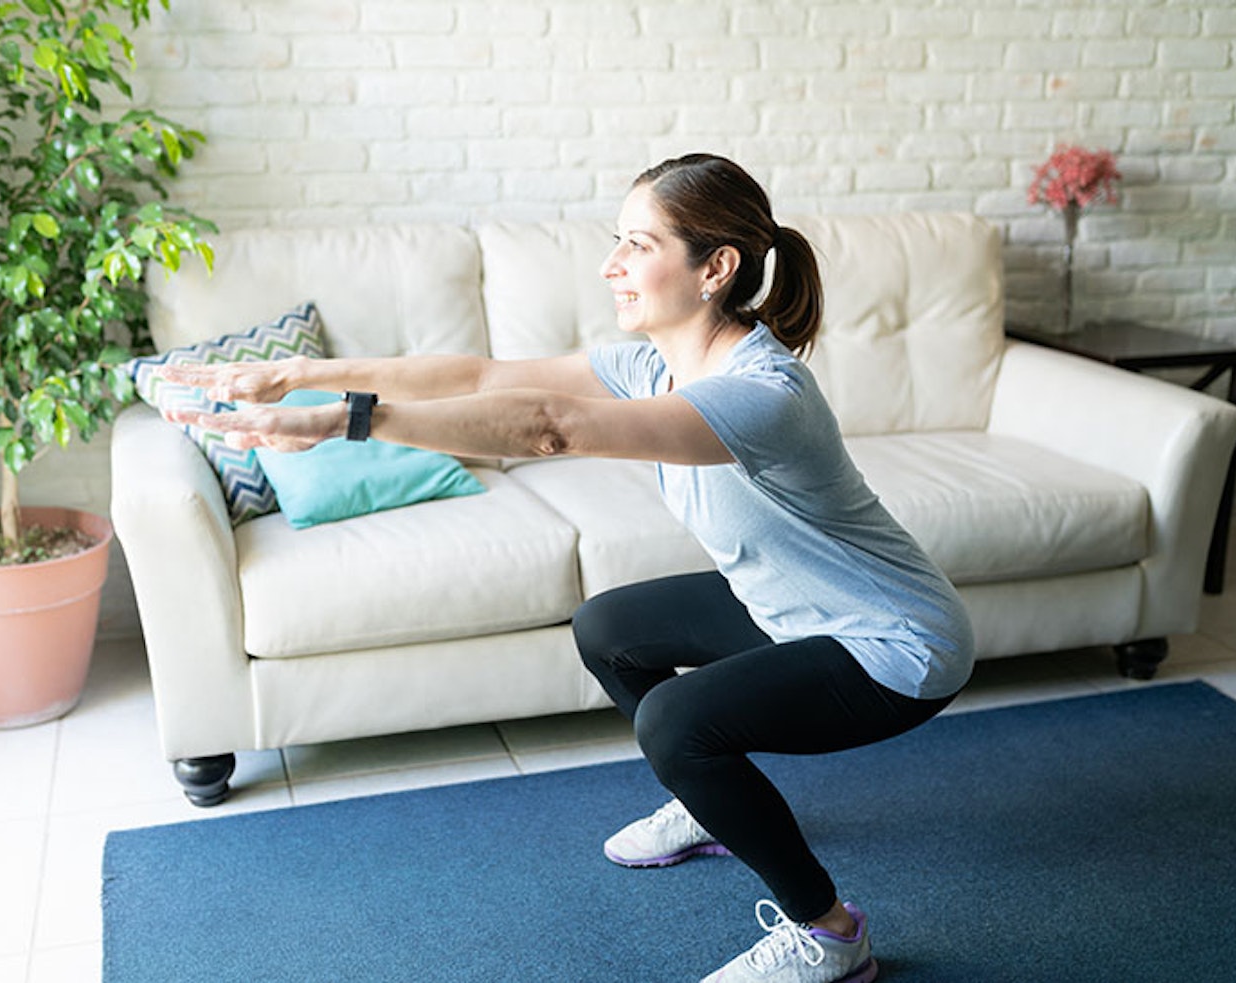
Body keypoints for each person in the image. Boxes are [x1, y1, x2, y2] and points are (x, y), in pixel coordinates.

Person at [159, 153, 974, 983]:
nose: (610, 264)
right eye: (615, 240)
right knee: (609, 630)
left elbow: (550, 426)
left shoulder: (761, 393)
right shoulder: (656, 364)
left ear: (715, 268)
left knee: (677, 725)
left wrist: (344, 422)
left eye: (637, 243)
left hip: (893, 645)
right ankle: (712, 805)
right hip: (789, 607)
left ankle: (833, 933)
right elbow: (480, 375)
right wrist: (302, 375)